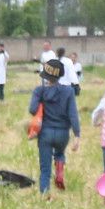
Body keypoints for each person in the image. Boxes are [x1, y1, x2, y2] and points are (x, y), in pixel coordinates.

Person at [27, 59, 81, 196]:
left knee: (45, 168)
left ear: (45, 75)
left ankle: (45, 193)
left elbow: (32, 109)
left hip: (45, 132)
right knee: (59, 154)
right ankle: (59, 168)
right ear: (60, 75)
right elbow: (73, 114)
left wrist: (40, 106)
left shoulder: (39, 91)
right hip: (63, 133)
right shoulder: (68, 91)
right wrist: (77, 135)